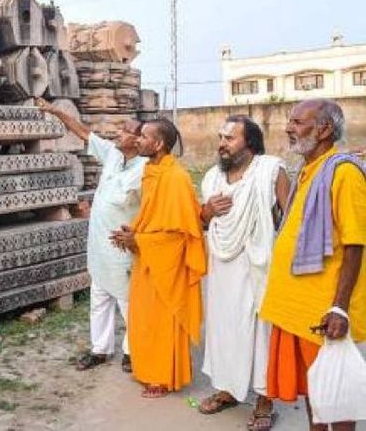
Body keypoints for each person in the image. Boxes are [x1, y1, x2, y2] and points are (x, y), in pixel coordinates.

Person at [259, 99, 366, 431]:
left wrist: (340, 308)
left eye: (297, 122)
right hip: (295, 309)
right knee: (314, 392)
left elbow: (355, 243)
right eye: (289, 121)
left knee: (334, 394)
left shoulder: (344, 172)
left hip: (322, 311)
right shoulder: (309, 170)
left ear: (324, 129)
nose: (289, 128)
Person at [35, 98, 145, 372]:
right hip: (99, 245)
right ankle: (100, 349)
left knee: (128, 302)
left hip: (123, 246)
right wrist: (57, 111)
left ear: (139, 140)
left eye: (126, 131)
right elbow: (84, 132)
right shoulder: (113, 154)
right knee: (100, 299)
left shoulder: (146, 169)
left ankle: (133, 351)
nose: (119, 134)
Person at [197, 116, 289, 431]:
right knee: (223, 330)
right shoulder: (211, 178)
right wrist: (207, 212)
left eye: (230, 138)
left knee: (260, 333)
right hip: (221, 269)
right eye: (221, 137)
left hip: (259, 267)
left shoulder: (271, 170)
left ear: (249, 142)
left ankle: (264, 401)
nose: (222, 143)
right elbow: (202, 223)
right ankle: (227, 390)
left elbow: (288, 221)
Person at [111, 117, 207, 398]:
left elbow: (180, 234)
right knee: (142, 319)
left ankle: (163, 376)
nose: (138, 139)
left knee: (161, 321)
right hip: (148, 258)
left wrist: (139, 240)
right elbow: (153, 216)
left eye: (144, 136)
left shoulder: (176, 178)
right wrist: (134, 231)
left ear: (159, 143)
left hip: (166, 264)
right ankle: (148, 369)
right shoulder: (152, 172)